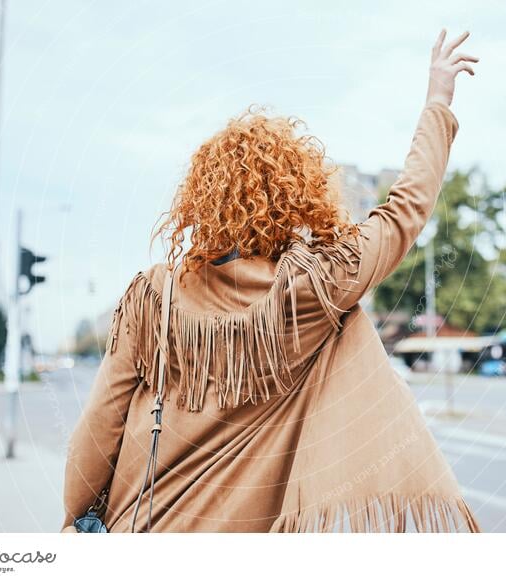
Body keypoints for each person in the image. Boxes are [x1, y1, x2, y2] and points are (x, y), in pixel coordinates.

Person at [62, 29, 480, 533]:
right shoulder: (316, 289)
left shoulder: (155, 297)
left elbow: (93, 445)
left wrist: (75, 519)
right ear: (300, 198)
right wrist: (437, 101)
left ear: (201, 202)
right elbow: (402, 213)